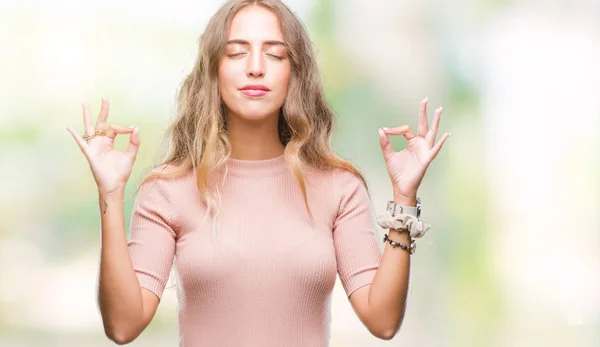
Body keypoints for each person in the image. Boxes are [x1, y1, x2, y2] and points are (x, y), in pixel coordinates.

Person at [66, 0, 450, 345]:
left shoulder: (339, 187)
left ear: (294, 72)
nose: (255, 68)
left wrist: (405, 198)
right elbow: (123, 326)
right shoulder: (168, 190)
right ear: (213, 71)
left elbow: (382, 322)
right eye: (236, 53)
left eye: (275, 55)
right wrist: (111, 194)